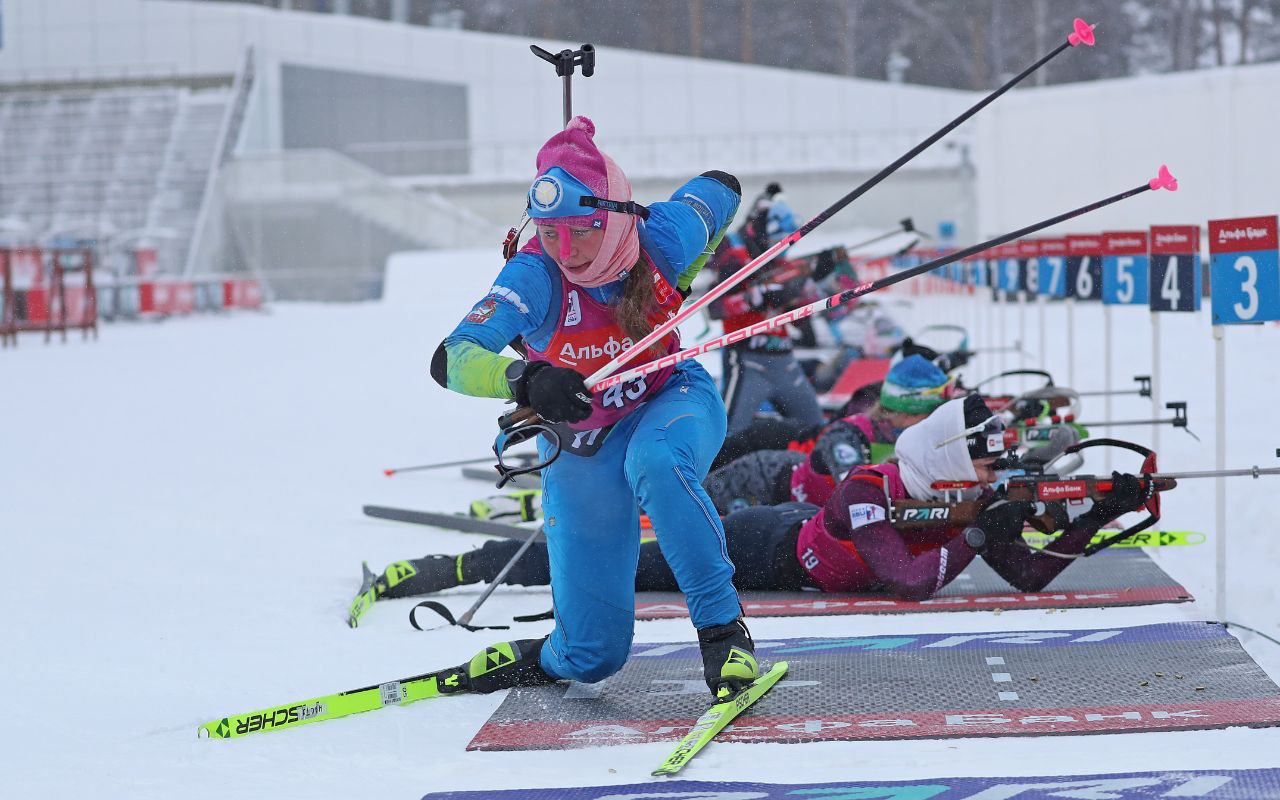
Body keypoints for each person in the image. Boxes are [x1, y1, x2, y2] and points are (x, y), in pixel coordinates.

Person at [423, 116, 759, 700]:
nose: (566, 248)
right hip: (580, 442)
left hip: (670, 399)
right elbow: (450, 357)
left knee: (656, 461)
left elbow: (721, 187)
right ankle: (543, 657)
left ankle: (723, 632)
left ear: (612, 214)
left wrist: (685, 273)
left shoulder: (662, 236)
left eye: (580, 230)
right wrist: (526, 378)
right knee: (592, 654)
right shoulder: (534, 272)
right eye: (550, 231)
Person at [364, 394, 1147, 607]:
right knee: (601, 566)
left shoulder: (955, 509)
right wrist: (978, 538)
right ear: (943, 461)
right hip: (757, 543)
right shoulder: (867, 488)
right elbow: (906, 582)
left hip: (779, 538)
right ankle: (446, 566)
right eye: (976, 467)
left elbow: (1033, 577)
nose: (984, 483)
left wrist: (1101, 513)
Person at [704, 354, 950, 514]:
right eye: (932, 413)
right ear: (908, 413)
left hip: (792, 479)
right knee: (685, 509)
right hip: (762, 477)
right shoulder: (855, 434)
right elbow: (858, 500)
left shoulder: (899, 431)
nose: (935, 424)